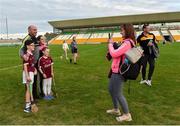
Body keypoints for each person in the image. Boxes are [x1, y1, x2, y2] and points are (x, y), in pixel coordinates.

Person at [107, 24, 135, 122]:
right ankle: (116, 109)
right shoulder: (127, 42)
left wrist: (110, 44)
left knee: (118, 93)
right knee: (111, 89)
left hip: (119, 71)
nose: (120, 32)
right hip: (116, 70)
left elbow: (114, 53)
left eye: (122, 30)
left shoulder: (127, 43)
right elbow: (118, 52)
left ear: (127, 31)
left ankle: (127, 114)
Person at [19, 25, 39, 100]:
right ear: (29, 30)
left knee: (34, 80)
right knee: (29, 81)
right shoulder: (27, 38)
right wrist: (23, 56)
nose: (36, 31)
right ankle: (29, 97)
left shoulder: (35, 39)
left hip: (35, 63)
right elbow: (21, 50)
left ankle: (34, 95)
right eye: (34, 30)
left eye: (36, 30)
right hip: (29, 64)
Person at [22, 40, 37, 113]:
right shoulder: (26, 54)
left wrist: (35, 69)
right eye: (32, 45)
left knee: (29, 89)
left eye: (33, 45)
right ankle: (27, 106)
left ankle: (31, 103)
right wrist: (27, 76)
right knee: (28, 89)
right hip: (27, 73)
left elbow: (31, 64)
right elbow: (25, 66)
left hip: (30, 72)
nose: (33, 46)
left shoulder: (31, 53)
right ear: (27, 46)